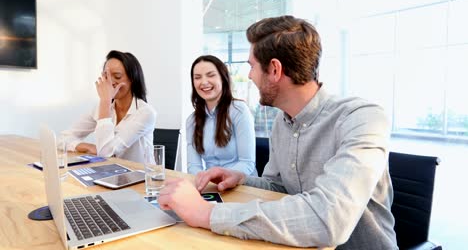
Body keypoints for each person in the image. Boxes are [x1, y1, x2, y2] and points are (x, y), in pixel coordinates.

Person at [158, 16, 397, 249]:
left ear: (274, 69)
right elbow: (280, 188)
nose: (249, 75)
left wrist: (207, 213)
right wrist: (241, 178)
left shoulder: (362, 118)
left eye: (251, 66)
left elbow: (328, 219)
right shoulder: (282, 122)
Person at [61, 50, 156, 163]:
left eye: (117, 76)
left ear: (132, 79)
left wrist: (105, 101)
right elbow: (63, 139)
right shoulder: (101, 107)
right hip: (111, 173)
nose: (110, 83)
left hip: (140, 176)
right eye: (106, 76)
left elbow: (106, 153)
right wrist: (88, 147)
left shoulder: (145, 113)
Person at [186, 55, 256, 176]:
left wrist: (219, 178)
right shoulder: (192, 121)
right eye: (197, 77)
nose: (204, 82)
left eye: (211, 75)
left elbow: (247, 163)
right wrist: (204, 179)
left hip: (242, 185)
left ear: (223, 78)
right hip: (212, 186)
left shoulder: (239, 110)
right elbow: (194, 166)